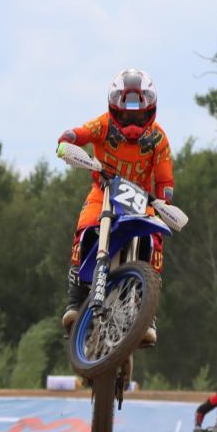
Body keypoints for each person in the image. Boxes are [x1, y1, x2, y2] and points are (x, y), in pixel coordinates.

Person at [56, 68, 175, 345]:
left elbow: (165, 180)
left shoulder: (159, 139)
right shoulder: (102, 125)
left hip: (140, 199)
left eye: (138, 115)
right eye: (125, 114)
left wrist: (163, 203)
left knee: (155, 238)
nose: (132, 120)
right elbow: (79, 133)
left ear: (150, 111)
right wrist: (67, 141)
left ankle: (147, 311)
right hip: (104, 191)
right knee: (85, 227)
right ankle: (75, 299)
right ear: (113, 109)